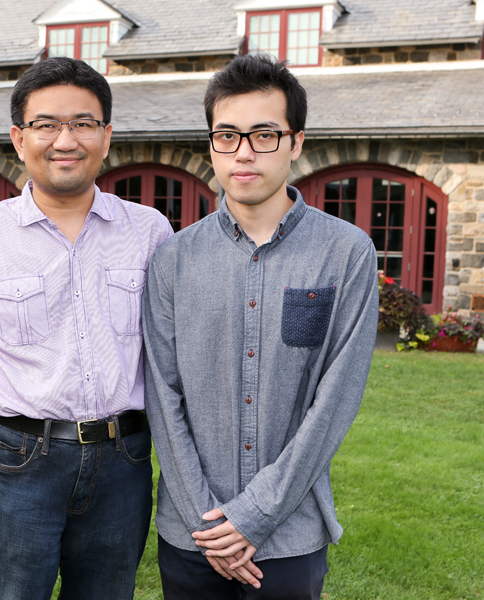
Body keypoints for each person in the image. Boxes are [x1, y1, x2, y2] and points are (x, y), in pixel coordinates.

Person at [0, 56, 173, 600]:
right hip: (19, 464)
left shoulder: (151, 232)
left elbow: (172, 363)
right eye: (46, 125)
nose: (66, 139)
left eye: (84, 123)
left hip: (123, 461)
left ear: (106, 136)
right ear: (19, 138)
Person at [142, 54, 379, 600]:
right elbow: (162, 393)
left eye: (264, 134)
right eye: (227, 134)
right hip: (191, 532)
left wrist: (254, 515)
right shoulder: (172, 260)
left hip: (291, 535)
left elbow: (335, 400)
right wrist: (213, 526)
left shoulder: (346, 253)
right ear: (211, 144)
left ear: (296, 142)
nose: (243, 151)